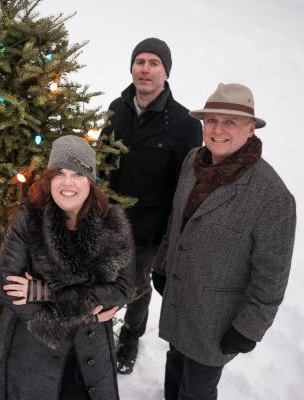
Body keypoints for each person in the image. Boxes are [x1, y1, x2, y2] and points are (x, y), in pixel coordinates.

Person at [152, 83, 296, 399]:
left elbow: (271, 278)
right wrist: (162, 264)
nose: (217, 129)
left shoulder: (272, 197)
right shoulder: (193, 160)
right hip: (179, 301)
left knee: (196, 391)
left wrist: (249, 328)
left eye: (229, 122)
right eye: (211, 120)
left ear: (250, 129)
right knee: (174, 373)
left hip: (215, 321)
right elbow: (176, 220)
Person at [0, 135, 136, 400]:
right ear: (50, 180)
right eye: (60, 174)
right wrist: (87, 314)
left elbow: (122, 288)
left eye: (78, 174)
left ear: (90, 181)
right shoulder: (28, 218)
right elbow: (6, 286)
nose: (68, 183)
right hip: (34, 351)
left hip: (90, 352)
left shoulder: (112, 223)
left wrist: (45, 292)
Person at [100, 37, 202, 374]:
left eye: (153, 63)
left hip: (149, 228)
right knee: (103, 276)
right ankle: (99, 330)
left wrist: (169, 234)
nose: (145, 69)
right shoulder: (117, 107)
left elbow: (185, 185)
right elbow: (103, 161)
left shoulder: (186, 124)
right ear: (131, 67)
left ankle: (130, 337)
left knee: (137, 286)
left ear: (165, 72)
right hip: (109, 219)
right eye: (139, 62)